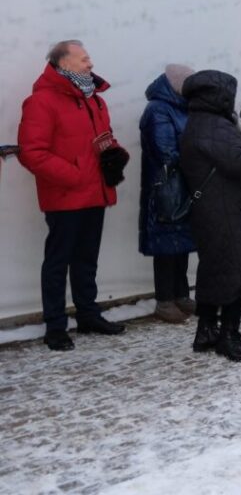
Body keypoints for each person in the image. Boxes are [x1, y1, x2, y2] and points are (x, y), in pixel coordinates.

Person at [18, 40, 129, 351]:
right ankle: (55, 326)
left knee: (86, 259)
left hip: (96, 192)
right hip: (66, 196)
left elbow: (101, 138)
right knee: (58, 262)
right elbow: (32, 153)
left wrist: (113, 154)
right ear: (63, 63)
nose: (90, 64)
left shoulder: (93, 99)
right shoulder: (41, 102)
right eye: (83, 59)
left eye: (89, 58)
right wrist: (75, 175)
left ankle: (88, 314)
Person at [179, 70, 241, 361]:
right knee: (239, 273)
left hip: (213, 208)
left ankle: (206, 329)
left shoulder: (198, 122)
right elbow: (239, 163)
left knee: (215, 270)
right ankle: (229, 334)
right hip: (228, 209)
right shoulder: (216, 126)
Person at [138, 64, 196, 324]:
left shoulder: (183, 107)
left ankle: (181, 294)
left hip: (183, 184)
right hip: (165, 187)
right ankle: (164, 300)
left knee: (182, 241)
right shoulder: (158, 109)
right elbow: (165, 150)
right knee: (166, 244)